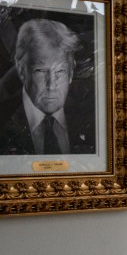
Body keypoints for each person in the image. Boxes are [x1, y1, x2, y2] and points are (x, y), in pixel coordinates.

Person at [0, 18, 95, 155]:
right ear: (21, 72)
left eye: (60, 71)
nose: (51, 85)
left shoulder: (94, 109)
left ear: (71, 72)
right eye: (40, 71)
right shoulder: (5, 120)